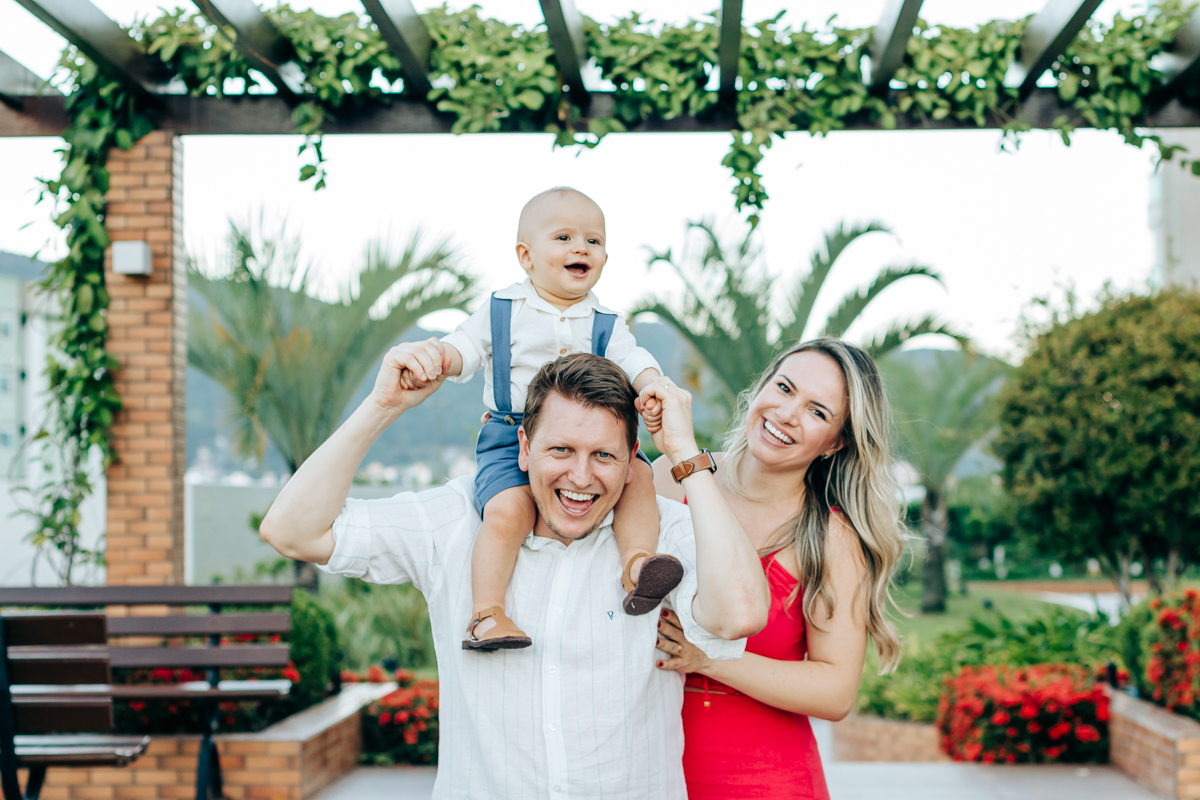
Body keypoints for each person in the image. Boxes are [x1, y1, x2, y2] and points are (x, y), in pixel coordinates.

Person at [259, 349, 770, 799]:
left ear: (632, 459)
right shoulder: (457, 520)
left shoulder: (664, 532)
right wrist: (382, 407)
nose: (581, 476)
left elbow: (741, 614)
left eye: (604, 455)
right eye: (561, 450)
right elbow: (291, 531)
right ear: (524, 447)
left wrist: (684, 454)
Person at [411, 187, 674, 650]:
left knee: (639, 478)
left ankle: (638, 565)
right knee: (508, 511)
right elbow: (466, 346)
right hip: (509, 432)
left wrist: (653, 383)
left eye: (593, 241)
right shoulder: (503, 309)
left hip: (591, 437)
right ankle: (487, 613)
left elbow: (633, 358)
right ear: (526, 256)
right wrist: (439, 359)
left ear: (605, 257)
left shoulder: (606, 320)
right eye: (564, 237)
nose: (581, 248)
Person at [649, 339, 907, 800]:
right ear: (760, 387)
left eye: (817, 412)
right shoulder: (667, 479)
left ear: (837, 442)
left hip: (765, 781)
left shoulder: (831, 539)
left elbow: (835, 691)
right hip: (645, 770)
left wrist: (709, 657)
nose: (787, 414)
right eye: (784, 388)